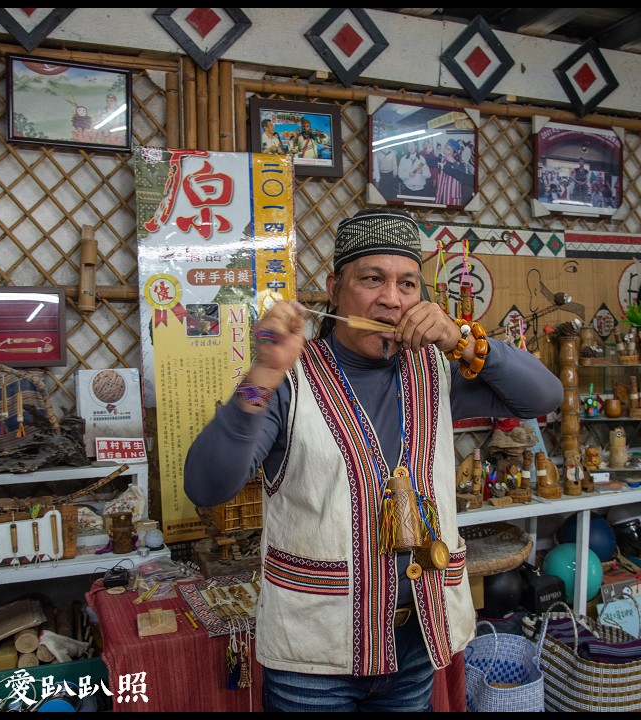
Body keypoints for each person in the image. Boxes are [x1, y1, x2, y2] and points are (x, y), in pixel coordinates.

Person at [184, 208, 563, 712]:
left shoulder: (436, 370)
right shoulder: (288, 381)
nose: (391, 298)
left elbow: (544, 396)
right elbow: (207, 486)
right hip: (314, 657)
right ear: (335, 287)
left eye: (408, 283)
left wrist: (463, 339)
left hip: (417, 642)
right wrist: (263, 374)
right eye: (372, 279)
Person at [434, 140, 471, 207]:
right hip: (440, 195)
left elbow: (464, 174)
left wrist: (453, 162)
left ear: (454, 153)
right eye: (445, 148)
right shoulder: (441, 160)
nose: (445, 151)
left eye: (448, 149)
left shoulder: (460, 164)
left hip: (452, 199)